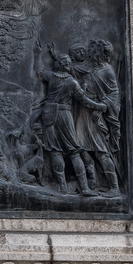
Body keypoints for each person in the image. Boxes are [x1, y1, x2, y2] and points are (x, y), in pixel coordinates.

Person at [32, 40, 106, 196]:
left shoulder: (51, 76)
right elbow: (84, 100)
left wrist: (37, 53)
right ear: (67, 66)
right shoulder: (72, 82)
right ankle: (84, 188)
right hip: (64, 115)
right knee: (73, 152)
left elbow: (38, 70)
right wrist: (99, 106)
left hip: (48, 114)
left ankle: (63, 188)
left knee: (55, 151)